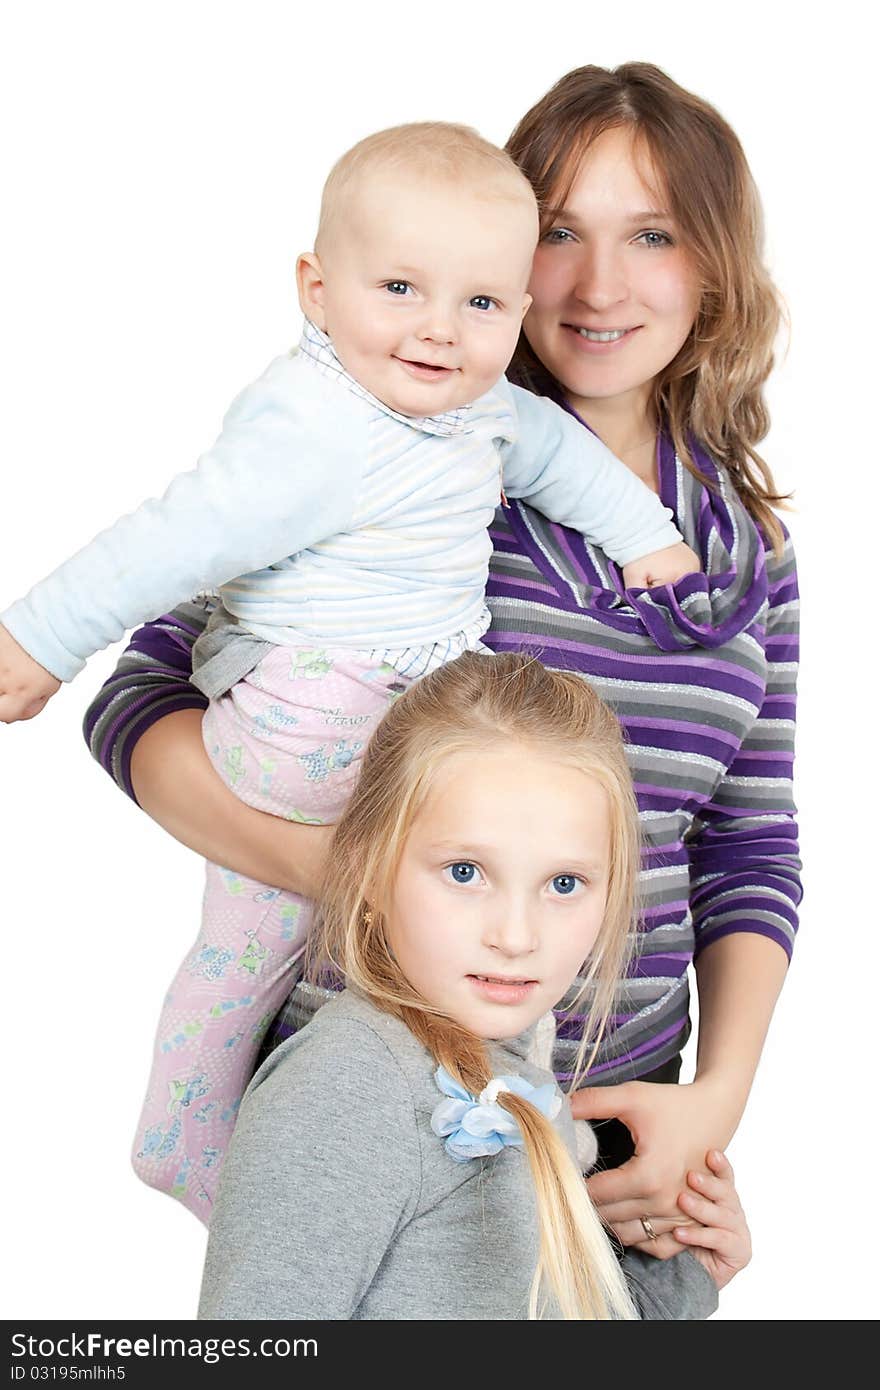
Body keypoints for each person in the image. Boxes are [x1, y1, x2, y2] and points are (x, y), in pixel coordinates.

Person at [74, 62, 800, 1257]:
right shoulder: (401, 463)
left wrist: (711, 1100)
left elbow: (749, 840)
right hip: (381, 1097)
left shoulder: (744, 550)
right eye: (560, 230)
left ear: (713, 266)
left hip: (623, 1123)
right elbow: (144, 691)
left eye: (653, 234)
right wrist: (342, 874)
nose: (598, 282)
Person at [198, 651, 750, 1320]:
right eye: (465, 872)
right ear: (370, 871)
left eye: (564, 884)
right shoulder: (347, 1085)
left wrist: (683, 1271)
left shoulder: (521, 1079)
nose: (516, 936)